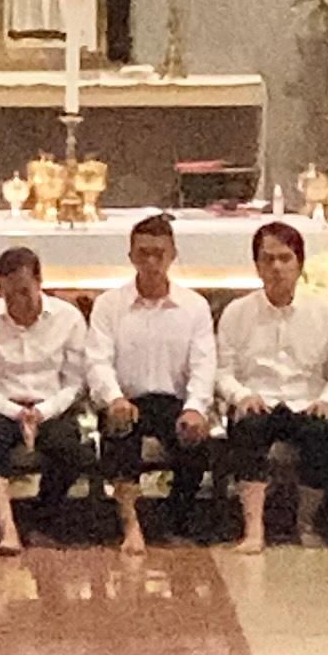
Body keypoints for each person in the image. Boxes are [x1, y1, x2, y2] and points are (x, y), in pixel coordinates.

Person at [214, 221, 328, 552]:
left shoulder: (325, 311)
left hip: (307, 401)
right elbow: (222, 371)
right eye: (268, 259)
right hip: (258, 400)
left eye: (285, 258)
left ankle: (306, 522)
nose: (276, 267)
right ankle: (253, 530)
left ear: (299, 263)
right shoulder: (237, 312)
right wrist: (241, 395)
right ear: (257, 265)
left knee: (322, 434)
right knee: (248, 430)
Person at [85, 214, 216, 553]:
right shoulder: (109, 305)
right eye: (144, 253)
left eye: (159, 253)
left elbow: (204, 365)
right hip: (126, 400)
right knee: (120, 435)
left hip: (173, 403)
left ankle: (175, 520)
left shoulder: (194, 307)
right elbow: (97, 361)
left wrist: (196, 409)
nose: (152, 262)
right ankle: (130, 525)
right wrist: (113, 398)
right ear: (131, 256)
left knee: (195, 446)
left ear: (172, 255)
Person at [0, 246, 98, 556]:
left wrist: (42, 412)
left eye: (24, 291)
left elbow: (76, 382)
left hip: (51, 404)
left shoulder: (68, 318)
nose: (17, 302)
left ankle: (42, 518)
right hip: (1, 405)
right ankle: (7, 529)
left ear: (39, 282)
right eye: (8, 294)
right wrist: (16, 412)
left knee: (69, 450)